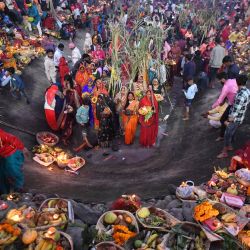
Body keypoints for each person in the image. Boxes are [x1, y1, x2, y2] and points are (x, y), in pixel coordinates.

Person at [217, 75, 250, 158]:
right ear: (245, 82)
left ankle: (224, 152)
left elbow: (235, 111)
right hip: (240, 117)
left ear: (237, 83)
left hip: (235, 119)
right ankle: (230, 146)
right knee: (231, 132)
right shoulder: (247, 91)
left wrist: (228, 120)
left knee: (227, 134)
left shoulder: (240, 95)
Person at [0, 129, 28, 194]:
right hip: (2, 154)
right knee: (2, 172)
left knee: (14, 172)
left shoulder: (2, 135)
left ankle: (19, 188)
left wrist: (22, 148)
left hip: (12, 153)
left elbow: (12, 139)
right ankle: (4, 192)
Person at [213, 72, 238, 141]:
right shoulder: (233, 80)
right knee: (227, 120)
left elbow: (220, 100)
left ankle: (228, 136)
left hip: (233, 105)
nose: (219, 81)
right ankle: (225, 135)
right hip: (234, 103)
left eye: (219, 80)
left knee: (223, 120)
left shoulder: (226, 86)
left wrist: (213, 106)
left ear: (223, 79)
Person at [61, 77, 80, 145]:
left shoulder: (74, 91)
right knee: (66, 124)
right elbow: (64, 98)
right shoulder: (65, 90)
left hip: (72, 109)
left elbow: (77, 102)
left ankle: (67, 138)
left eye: (68, 83)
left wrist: (76, 110)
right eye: (66, 82)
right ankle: (64, 138)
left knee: (70, 124)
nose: (66, 84)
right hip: (66, 108)